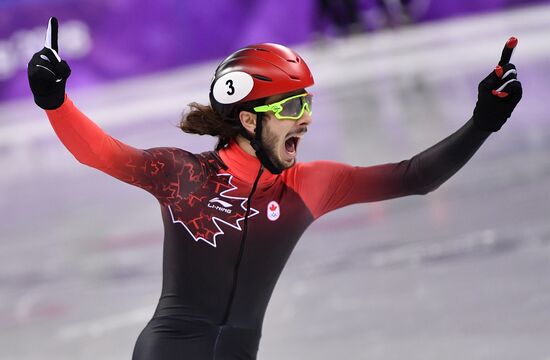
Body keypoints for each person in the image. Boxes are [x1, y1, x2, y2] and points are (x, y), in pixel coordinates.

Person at [28, 17, 522, 360]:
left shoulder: (310, 184)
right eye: (289, 108)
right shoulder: (185, 175)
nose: (303, 120)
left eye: (305, 105)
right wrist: (55, 102)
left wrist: (483, 121)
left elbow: (414, 177)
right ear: (247, 119)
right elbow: (104, 154)